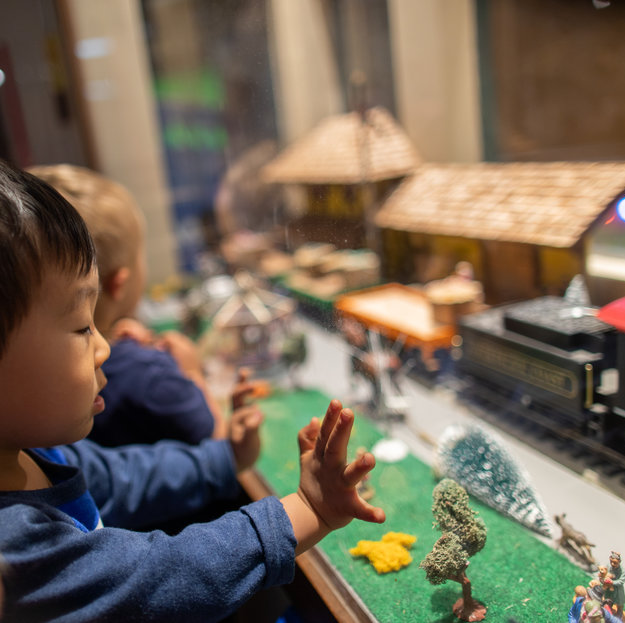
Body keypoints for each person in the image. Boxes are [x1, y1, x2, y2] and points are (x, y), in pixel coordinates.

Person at [0, 160, 385, 622]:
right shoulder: (16, 550)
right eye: (83, 326)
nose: (104, 345)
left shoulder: (37, 454)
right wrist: (306, 510)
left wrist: (223, 459)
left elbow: (126, 477)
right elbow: (159, 576)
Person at [27, 164, 228, 445]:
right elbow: (218, 443)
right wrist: (191, 371)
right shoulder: (149, 372)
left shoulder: (44, 378)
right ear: (118, 283)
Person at [606, 551, 625, 619]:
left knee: (620, 604)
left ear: (619, 561)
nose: (612, 564)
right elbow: (605, 574)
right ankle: (607, 613)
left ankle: (619, 615)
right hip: (609, 589)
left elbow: (621, 581)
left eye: (615, 563)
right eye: (611, 562)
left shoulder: (623, 570)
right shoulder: (608, 566)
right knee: (608, 602)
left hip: (618, 590)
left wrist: (612, 582)